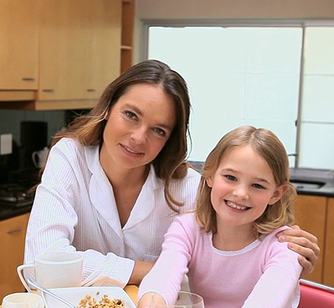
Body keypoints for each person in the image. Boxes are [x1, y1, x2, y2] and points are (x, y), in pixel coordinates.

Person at [23, 59, 319, 288]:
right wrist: (152, 271)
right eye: (131, 115)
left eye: (158, 130)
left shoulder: (188, 189)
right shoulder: (69, 156)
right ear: (108, 107)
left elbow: (228, 265)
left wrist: (286, 253)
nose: (139, 137)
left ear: (170, 139)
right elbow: (40, 263)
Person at [128, 125, 303, 308]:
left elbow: (268, 303)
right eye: (230, 177)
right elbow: (164, 273)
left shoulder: (284, 245)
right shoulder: (187, 228)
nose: (241, 193)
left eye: (258, 185)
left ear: (276, 194)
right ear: (209, 176)